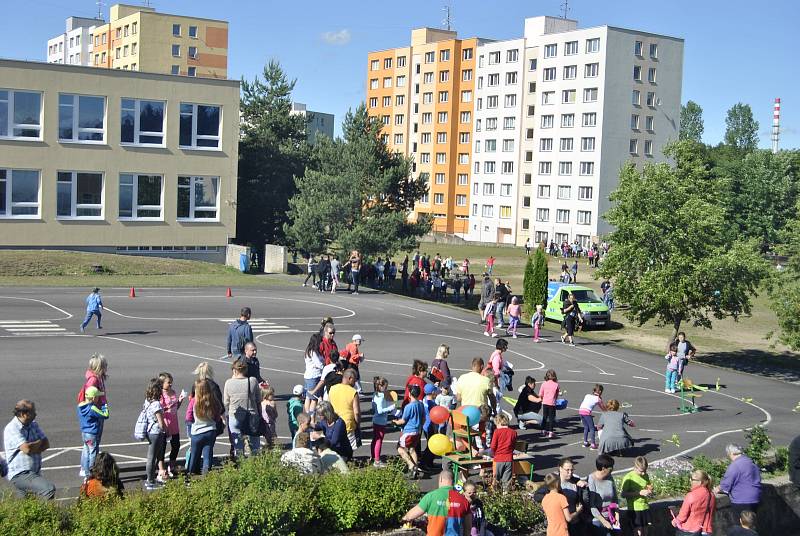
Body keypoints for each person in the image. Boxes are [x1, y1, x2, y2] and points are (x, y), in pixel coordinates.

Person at [4, 400, 56, 499]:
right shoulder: (12, 428)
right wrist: (37, 444)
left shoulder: (33, 424)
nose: (36, 414)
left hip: (33, 472)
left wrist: (32, 446)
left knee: (26, 505)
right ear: (24, 414)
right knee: (48, 489)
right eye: (33, 412)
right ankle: (46, 514)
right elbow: (27, 449)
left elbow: (46, 443)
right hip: (20, 473)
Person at [401, 470, 471, 536]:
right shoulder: (463, 500)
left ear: (440, 479)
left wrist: (404, 519)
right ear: (453, 481)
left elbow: (410, 516)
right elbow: (468, 527)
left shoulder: (431, 496)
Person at [76, 353, 109, 477]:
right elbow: (90, 396)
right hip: (96, 414)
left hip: (92, 417)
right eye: (105, 365)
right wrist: (99, 407)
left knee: (87, 446)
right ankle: (90, 470)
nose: (106, 367)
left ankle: (84, 468)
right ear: (99, 367)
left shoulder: (96, 377)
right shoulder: (94, 379)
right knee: (93, 447)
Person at [223, 359, 261, 459]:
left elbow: (226, 402)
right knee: (255, 444)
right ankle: (255, 464)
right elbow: (258, 400)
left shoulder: (229, 383)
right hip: (251, 415)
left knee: (238, 445)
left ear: (234, 371)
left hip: (235, 416)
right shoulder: (252, 381)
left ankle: (240, 464)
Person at [188, 378, 223, 475]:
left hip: (197, 432)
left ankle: (189, 474)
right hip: (210, 431)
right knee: (207, 455)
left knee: (194, 455)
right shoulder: (213, 401)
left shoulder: (194, 401)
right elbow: (217, 417)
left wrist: (191, 423)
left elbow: (189, 416)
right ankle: (206, 475)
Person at [715, 443, 761, 515]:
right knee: (751, 523)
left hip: (741, 500)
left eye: (728, 454)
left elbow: (726, 484)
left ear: (731, 453)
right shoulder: (750, 462)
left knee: (741, 524)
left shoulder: (735, 465)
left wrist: (718, 488)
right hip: (755, 498)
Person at [141, 378, 167, 490]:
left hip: (149, 431)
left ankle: (151, 479)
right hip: (155, 432)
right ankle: (150, 481)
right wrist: (166, 430)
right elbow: (161, 423)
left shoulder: (148, 401)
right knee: (152, 457)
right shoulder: (156, 404)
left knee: (153, 456)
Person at [671, 469, 715, 536]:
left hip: (690, 530)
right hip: (706, 530)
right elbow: (711, 513)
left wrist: (675, 521)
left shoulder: (691, 495)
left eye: (692, 479)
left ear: (700, 482)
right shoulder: (711, 495)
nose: (690, 481)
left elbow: (683, 516)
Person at [158, 371, 185, 478]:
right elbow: (160, 411)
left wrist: (180, 401)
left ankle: (172, 466)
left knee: (176, 445)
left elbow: (175, 407)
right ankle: (161, 469)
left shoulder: (173, 392)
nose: (170, 384)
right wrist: (165, 426)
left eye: (171, 382)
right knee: (162, 448)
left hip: (174, 424)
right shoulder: (160, 395)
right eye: (168, 382)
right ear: (162, 383)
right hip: (165, 425)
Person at [394, 384, 425, 478]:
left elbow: (403, 420)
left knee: (400, 448)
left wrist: (395, 422)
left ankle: (411, 465)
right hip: (417, 431)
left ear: (410, 394)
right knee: (412, 449)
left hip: (408, 432)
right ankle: (415, 469)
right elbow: (423, 418)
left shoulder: (409, 407)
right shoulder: (420, 404)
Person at [588, 454, 621, 535]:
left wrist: (617, 517)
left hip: (611, 516)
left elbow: (615, 499)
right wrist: (605, 522)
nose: (613, 469)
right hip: (598, 517)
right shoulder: (592, 479)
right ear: (603, 468)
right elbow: (592, 505)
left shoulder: (609, 477)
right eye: (611, 467)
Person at [543, 472, 584, 536]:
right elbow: (569, 518)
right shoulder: (561, 497)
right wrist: (578, 511)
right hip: (561, 532)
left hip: (550, 532)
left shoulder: (545, 499)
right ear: (557, 484)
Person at [620, 456, 653, 536]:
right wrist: (639, 493)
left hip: (644, 506)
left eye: (645, 470)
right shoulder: (629, 477)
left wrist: (650, 490)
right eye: (641, 471)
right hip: (634, 508)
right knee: (638, 532)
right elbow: (623, 494)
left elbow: (648, 485)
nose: (644, 473)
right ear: (635, 467)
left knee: (646, 530)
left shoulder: (645, 475)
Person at [329, 369, 360, 449]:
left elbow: (329, 406)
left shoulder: (332, 388)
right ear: (350, 378)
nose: (355, 383)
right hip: (348, 423)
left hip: (334, 423)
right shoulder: (353, 392)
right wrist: (357, 424)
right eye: (355, 380)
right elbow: (356, 412)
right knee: (349, 449)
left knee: (336, 447)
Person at [371, 376, 396, 467]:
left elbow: (373, 408)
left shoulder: (375, 394)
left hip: (375, 420)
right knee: (379, 441)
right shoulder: (381, 397)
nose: (386, 388)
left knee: (375, 439)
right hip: (381, 421)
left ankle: (374, 457)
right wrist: (391, 408)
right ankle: (377, 461)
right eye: (386, 387)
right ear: (381, 386)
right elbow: (380, 411)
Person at [490, 414, 517, 490]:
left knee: (496, 480)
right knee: (507, 482)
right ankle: (505, 496)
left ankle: (495, 496)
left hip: (498, 459)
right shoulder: (513, 432)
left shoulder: (497, 432)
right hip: (509, 459)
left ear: (498, 422)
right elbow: (513, 446)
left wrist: (493, 453)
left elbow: (493, 446)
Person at [303, 333, 325, 415]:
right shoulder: (313, 352)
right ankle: (311, 418)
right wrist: (324, 365)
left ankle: (307, 414)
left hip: (308, 376)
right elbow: (319, 364)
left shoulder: (308, 350)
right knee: (314, 399)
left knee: (308, 397)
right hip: (314, 376)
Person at [578, 384, 606, 450]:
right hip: (587, 413)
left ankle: (585, 442)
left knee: (586, 427)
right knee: (592, 428)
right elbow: (603, 408)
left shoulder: (587, 395)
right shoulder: (598, 399)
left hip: (581, 411)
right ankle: (593, 444)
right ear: (600, 392)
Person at [539, 369, 560, 438]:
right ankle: (550, 432)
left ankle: (543, 430)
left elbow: (541, 393)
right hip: (552, 403)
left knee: (544, 417)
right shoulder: (556, 385)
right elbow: (557, 394)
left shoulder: (544, 383)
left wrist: (542, 398)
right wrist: (555, 399)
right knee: (551, 418)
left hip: (545, 402)